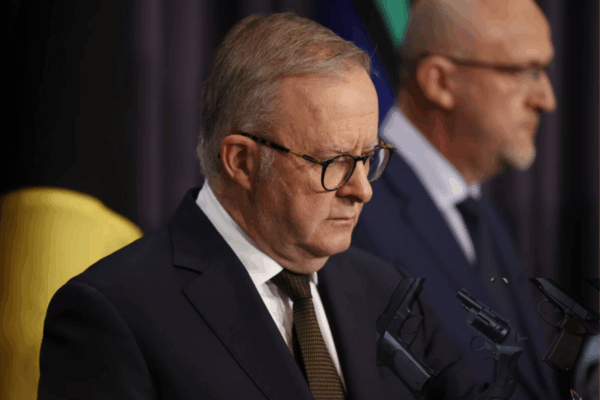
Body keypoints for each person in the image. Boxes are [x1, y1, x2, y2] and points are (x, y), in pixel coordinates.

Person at [38, 12, 492, 400]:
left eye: (368, 158)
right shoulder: (113, 313)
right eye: (334, 162)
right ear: (242, 161)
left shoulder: (388, 292)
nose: (362, 190)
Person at [352, 0, 563, 399]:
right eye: (526, 72)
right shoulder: (357, 211)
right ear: (440, 82)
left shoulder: (473, 208)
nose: (546, 99)